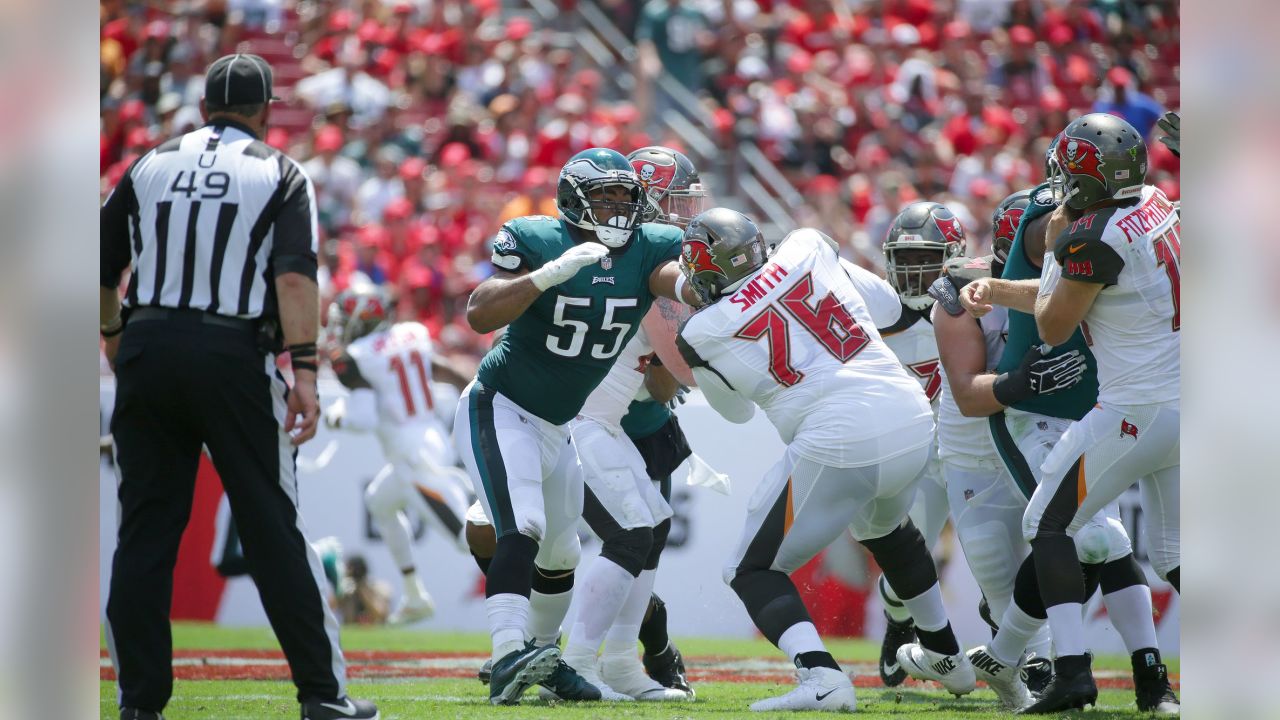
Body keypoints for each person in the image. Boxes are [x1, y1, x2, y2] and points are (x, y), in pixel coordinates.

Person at [100, 54, 377, 720]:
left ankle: (139, 703)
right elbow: (292, 279)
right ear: (264, 110)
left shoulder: (148, 164)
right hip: (230, 355)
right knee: (271, 525)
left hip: (148, 344)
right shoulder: (280, 172)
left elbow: (101, 267)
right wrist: (305, 369)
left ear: (202, 107)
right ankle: (322, 694)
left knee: (144, 530)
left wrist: (117, 339)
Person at [677, 209, 975, 712]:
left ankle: (822, 678)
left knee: (750, 569)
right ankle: (948, 655)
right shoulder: (805, 244)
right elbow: (886, 308)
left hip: (840, 435)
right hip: (909, 414)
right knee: (887, 531)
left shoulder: (701, 332)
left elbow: (733, 411)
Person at [457, 147, 699, 705]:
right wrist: (546, 277)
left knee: (561, 554)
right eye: (604, 196)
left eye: (623, 196)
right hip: (503, 404)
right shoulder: (540, 239)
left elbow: (675, 282)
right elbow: (479, 313)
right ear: (573, 199)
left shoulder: (648, 250)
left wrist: (721, 279)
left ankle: (539, 661)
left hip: (558, 424)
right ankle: (506, 654)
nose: (616, 208)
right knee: (525, 526)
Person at [960, 114, 1180, 713]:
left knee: (1048, 525)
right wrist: (1000, 291)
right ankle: (1157, 682)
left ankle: (1073, 673)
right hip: (1186, 404)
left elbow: (1057, 327)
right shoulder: (1158, 202)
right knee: (1175, 554)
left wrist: (1059, 238)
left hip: (1137, 408)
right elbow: (1088, 290)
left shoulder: (1088, 237)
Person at [322, 283, 473, 625]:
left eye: (344, 319)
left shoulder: (358, 356)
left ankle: (531, 592)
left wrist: (335, 417)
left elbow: (363, 418)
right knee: (379, 501)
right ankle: (415, 595)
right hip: (429, 437)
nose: (338, 326)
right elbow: (440, 368)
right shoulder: (412, 333)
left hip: (412, 457)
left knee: (468, 538)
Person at [869, 201, 965, 687]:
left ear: (954, 256)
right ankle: (898, 618)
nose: (914, 270)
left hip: (972, 448)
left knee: (1005, 559)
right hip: (914, 455)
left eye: (925, 257)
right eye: (903, 260)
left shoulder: (975, 303)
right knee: (911, 566)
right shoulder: (874, 313)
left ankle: (1031, 660)